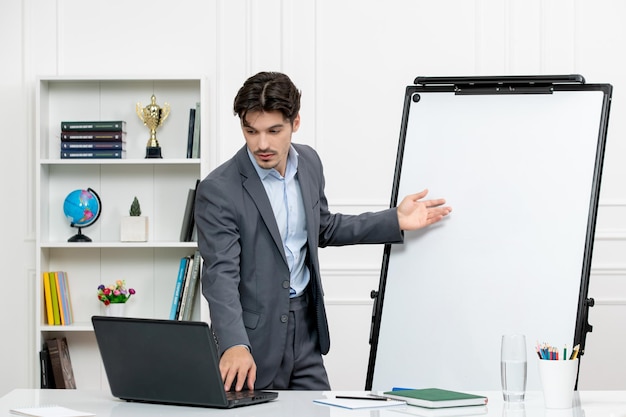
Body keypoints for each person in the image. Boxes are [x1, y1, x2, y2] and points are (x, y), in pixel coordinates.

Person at [194, 71, 451, 392]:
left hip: (306, 332)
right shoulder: (219, 190)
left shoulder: (310, 164)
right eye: (251, 131)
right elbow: (220, 275)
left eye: (274, 130)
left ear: (295, 122)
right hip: (253, 344)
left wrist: (394, 220)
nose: (262, 144)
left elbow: (323, 228)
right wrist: (233, 344)